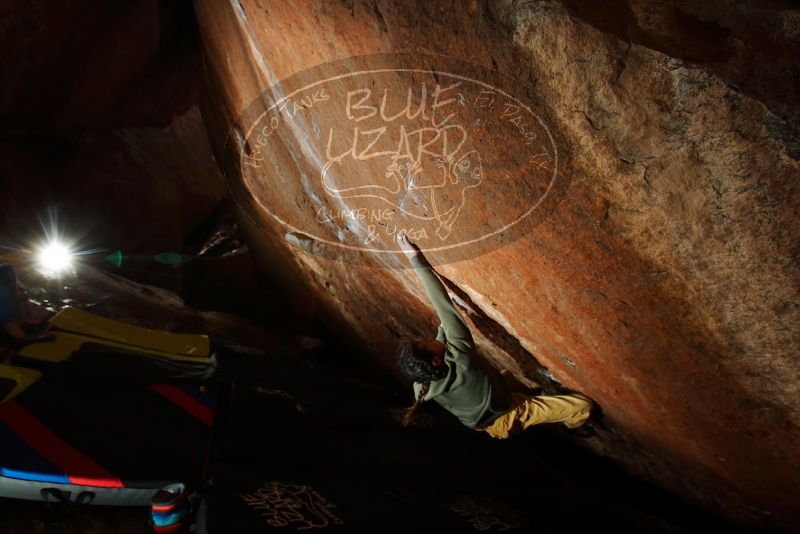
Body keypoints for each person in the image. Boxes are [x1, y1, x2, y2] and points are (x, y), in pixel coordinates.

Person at [396, 234, 596, 439]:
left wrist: (445, 326)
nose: (431, 338)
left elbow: (443, 335)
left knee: (504, 377)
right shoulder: (461, 358)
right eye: (427, 341)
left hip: (483, 420)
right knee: (582, 406)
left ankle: (539, 397)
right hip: (508, 413)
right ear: (437, 360)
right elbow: (442, 305)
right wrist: (414, 258)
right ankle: (575, 425)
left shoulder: (421, 385)